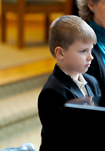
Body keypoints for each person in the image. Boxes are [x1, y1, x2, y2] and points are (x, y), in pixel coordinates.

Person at [37, 15, 101, 151]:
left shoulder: (92, 82)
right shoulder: (52, 93)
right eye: (83, 51)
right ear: (60, 53)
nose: (91, 57)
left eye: (91, 50)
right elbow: (63, 140)